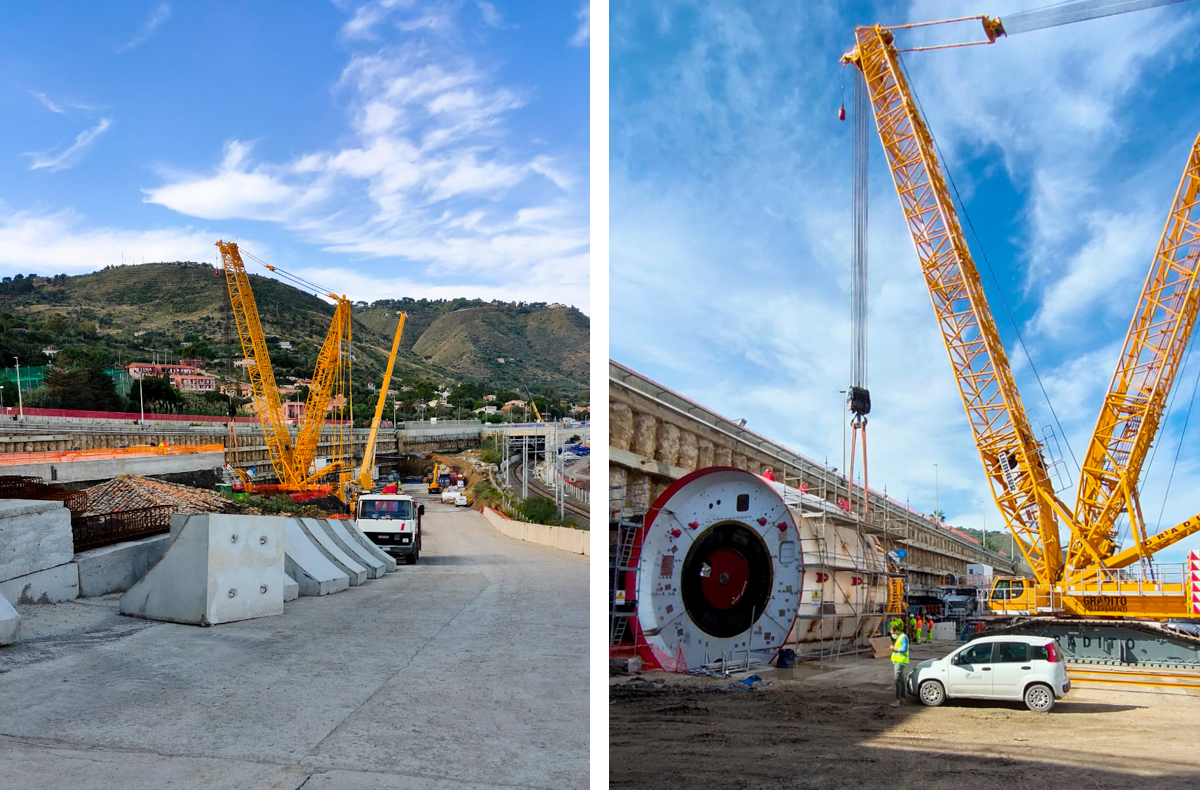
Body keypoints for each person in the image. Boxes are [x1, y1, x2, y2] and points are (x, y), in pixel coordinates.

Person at [888, 622, 910, 707]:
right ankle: (903, 698)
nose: (892, 635)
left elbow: (904, 649)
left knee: (897, 680)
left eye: (892, 633)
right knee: (901, 680)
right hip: (898, 661)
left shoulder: (903, 637)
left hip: (900, 661)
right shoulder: (899, 637)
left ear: (896, 631)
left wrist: (894, 648)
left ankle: (897, 699)